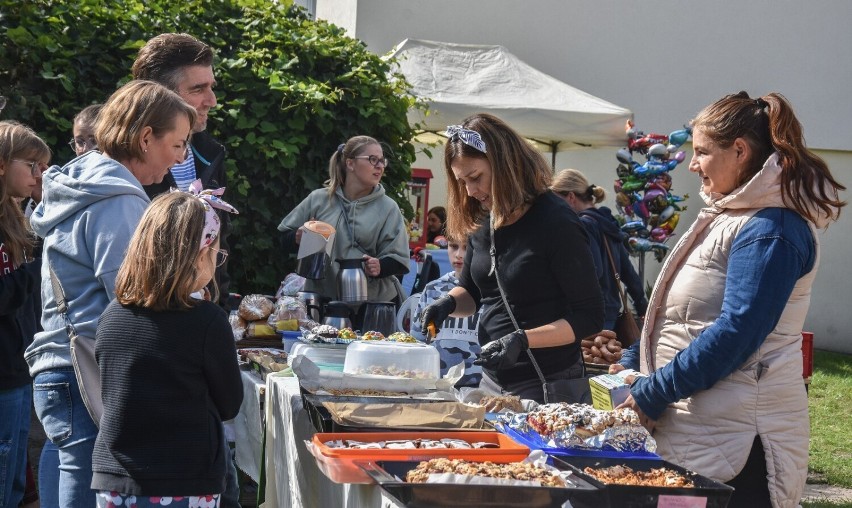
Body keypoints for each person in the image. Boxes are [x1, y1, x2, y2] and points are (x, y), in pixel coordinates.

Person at [611, 92, 845, 508]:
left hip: (738, 443)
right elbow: (686, 318)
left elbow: (738, 331)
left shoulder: (771, 227)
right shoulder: (735, 215)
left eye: (701, 152)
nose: (694, 164)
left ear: (739, 150)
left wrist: (655, 390)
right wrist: (637, 359)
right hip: (704, 429)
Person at [26, 80, 195, 508]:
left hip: (61, 364)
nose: (180, 156)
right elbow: (133, 292)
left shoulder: (84, 184)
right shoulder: (117, 199)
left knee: (67, 467)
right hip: (86, 369)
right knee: (83, 482)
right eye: (176, 144)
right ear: (144, 138)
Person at [420, 113, 603, 402]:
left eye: (476, 178)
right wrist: (447, 304)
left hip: (548, 383)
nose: (470, 191)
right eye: (462, 182)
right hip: (492, 381)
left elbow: (590, 316)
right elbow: (472, 291)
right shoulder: (483, 218)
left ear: (505, 164)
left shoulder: (556, 221)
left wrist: (524, 339)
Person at [92, 191, 243, 507]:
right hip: (185, 477)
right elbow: (230, 405)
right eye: (217, 254)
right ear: (201, 254)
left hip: (116, 479)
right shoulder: (207, 321)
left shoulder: (111, 315)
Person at [132, 33, 233, 310]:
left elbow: (219, 246)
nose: (211, 100)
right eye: (198, 89)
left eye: (211, 87)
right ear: (157, 95)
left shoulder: (211, 155)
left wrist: (218, 316)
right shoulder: (126, 166)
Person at [278, 136, 410, 303]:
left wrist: (380, 266)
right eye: (373, 159)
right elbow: (282, 240)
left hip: (370, 305)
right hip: (321, 301)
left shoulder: (388, 207)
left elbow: (399, 260)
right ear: (350, 163)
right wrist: (297, 238)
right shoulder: (319, 199)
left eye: (382, 161)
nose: (380, 166)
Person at [0, 121, 49, 508]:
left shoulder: (13, 218)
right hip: (3, 373)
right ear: (2, 164)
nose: (37, 176)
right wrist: (33, 269)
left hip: (16, 369)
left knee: (14, 486)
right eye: (31, 165)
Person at [551, 168, 648, 331]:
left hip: (589, 315)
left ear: (571, 197)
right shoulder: (608, 222)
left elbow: (594, 270)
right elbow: (629, 273)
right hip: (611, 313)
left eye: (557, 201)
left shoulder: (583, 226)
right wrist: (642, 307)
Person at [410, 231, 482, 388]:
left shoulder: (491, 291)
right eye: (453, 246)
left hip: (481, 386)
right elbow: (417, 342)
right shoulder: (432, 289)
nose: (459, 255)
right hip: (438, 383)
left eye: (467, 248)